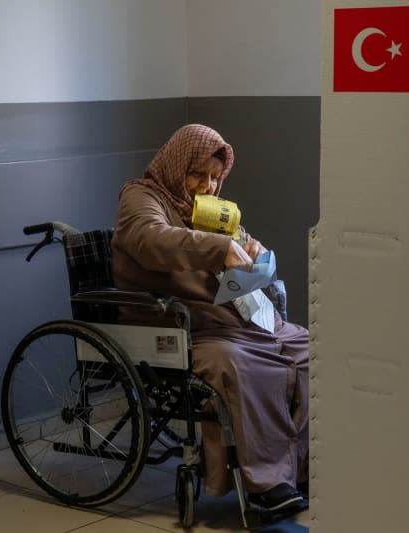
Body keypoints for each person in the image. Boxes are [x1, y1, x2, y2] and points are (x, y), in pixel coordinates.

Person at [111, 124, 309, 513]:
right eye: (197, 174)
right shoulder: (140, 197)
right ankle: (265, 482)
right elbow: (150, 239)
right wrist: (220, 247)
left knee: (306, 349)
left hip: (229, 318)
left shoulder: (209, 210)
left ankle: (301, 468)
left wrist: (250, 249)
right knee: (238, 364)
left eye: (216, 178)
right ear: (175, 163)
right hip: (180, 325)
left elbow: (236, 246)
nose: (208, 186)